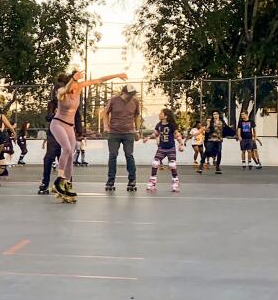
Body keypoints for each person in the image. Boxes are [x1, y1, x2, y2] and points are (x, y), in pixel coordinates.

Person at [48, 68, 126, 202]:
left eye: (76, 88)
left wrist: (117, 75)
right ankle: (59, 180)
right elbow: (66, 89)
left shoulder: (78, 86)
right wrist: (73, 79)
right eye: (73, 88)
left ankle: (67, 183)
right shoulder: (61, 92)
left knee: (71, 154)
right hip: (58, 124)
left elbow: (99, 80)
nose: (75, 91)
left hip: (69, 126)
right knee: (66, 148)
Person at [102, 83, 140, 192]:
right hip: (114, 133)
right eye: (130, 94)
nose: (131, 96)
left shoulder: (135, 101)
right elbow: (105, 113)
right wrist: (105, 126)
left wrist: (137, 130)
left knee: (129, 155)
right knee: (113, 155)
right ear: (124, 92)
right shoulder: (114, 100)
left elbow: (136, 115)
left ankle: (132, 180)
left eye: (133, 94)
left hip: (129, 133)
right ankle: (110, 181)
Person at [142, 108, 184, 193]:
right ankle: (152, 183)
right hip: (161, 148)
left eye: (161, 113)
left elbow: (177, 135)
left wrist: (181, 144)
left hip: (170, 148)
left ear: (165, 116)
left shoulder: (172, 125)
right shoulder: (159, 125)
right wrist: (148, 137)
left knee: (172, 165)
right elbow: (156, 134)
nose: (159, 114)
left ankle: (175, 184)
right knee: (155, 163)